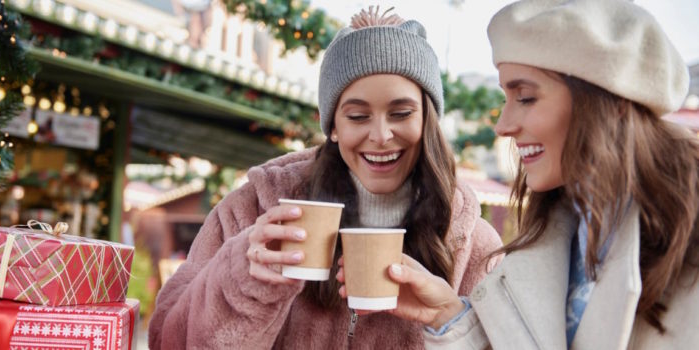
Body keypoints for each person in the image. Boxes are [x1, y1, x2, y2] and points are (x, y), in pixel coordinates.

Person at [338, 0, 699, 349]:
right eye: (505, 99)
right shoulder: (560, 233)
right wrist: (450, 318)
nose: (503, 125)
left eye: (525, 98)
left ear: (613, 101)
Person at [148, 6, 503, 349]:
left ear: (427, 119)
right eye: (358, 117)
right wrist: (242, 280)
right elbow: (167, 341)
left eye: (401, 113)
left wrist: (454, 323)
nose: (380, 135)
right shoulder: (253, 210)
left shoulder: (473, 243)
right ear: (332, 125)